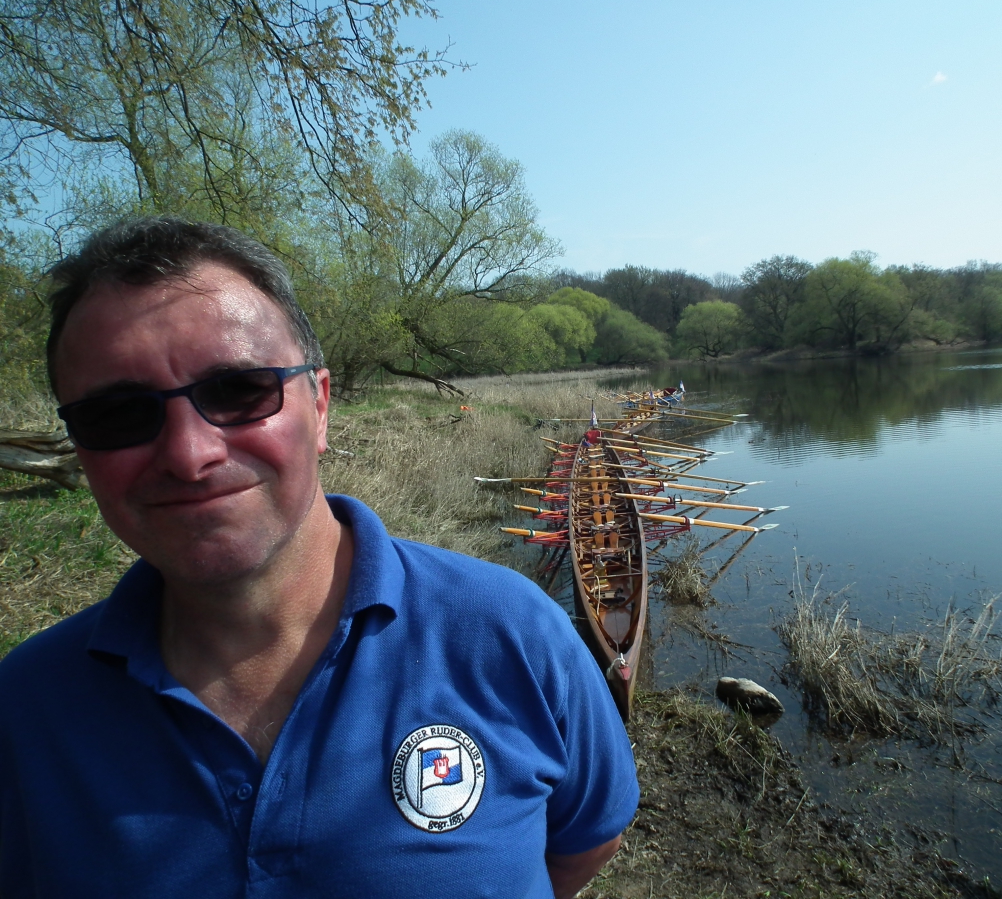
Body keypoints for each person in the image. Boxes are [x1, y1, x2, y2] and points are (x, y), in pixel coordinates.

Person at [0, 218, 639, 898]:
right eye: (117, 415)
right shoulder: (22, 709)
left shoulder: (512, 633)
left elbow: (584, 845)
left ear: (321, 406)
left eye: (238, 390)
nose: (190, 455)